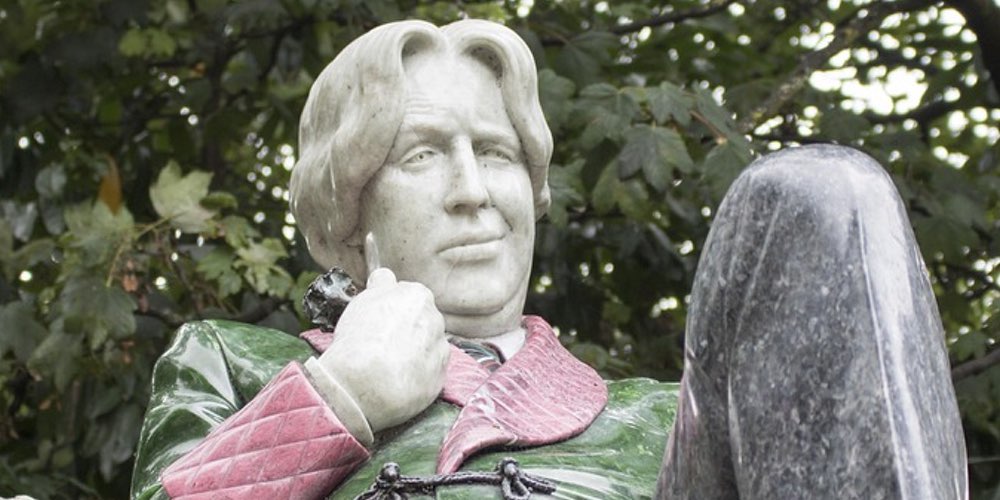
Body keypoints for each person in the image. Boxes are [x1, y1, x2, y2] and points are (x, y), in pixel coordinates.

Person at [131, 18, 967, 500]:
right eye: (421, 157)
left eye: (495, 154)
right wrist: (339, 397)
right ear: (349, 215)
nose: (473, 191)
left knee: (818, 195)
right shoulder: (236, 363)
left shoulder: (666, 418)